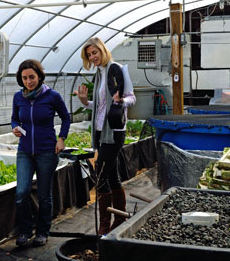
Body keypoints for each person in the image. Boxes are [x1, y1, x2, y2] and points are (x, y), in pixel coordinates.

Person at [74, 37, 136, 235]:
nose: (93, 57)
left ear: (102, 50)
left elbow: (132, 98)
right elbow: (100, 107)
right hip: (101, 130)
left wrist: (121, 101)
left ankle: (104, 226)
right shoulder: (100, 75)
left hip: (115, 131)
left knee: (100, 175)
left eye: (95, 52)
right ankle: (119, 217)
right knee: (111, 175)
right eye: (89, 55)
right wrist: (85, 102)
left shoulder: (116, 69)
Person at [11, 59, 71, 246]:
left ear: (39, 76)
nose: (29, 81)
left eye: (32, 77)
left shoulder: (52, 96)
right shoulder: (18, 97)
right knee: (22, 192)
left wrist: (61, 138)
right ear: (21, 80)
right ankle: (25, 231)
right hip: (25, 151)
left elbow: (66, 117)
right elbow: (14, 119)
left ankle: (42, 232)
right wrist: (15, 128)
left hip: (47, 150)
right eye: (25, 78)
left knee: (44, 195)